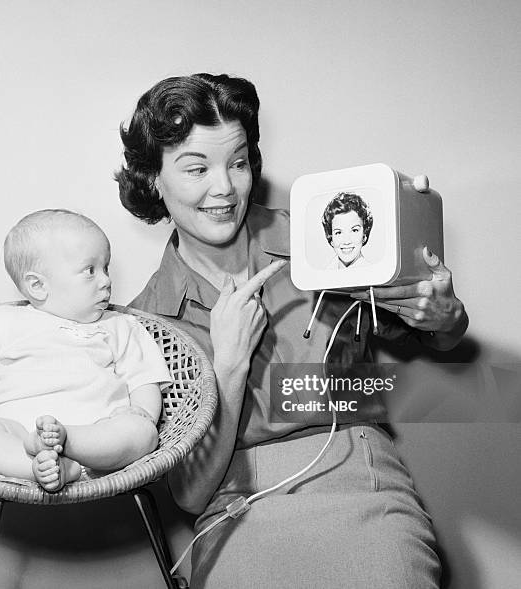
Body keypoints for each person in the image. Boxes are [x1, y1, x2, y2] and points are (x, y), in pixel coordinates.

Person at [117, 73, 469, 588]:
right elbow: (191, 494)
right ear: (153, 180)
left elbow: (435, 333)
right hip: (237, 508)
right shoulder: (144, 321)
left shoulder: (325, 235)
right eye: (197, 168)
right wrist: (229, 368)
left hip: (358, 479)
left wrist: (445, 316)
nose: (225, 188)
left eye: (238, 163)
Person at [0, 209, 171, 492]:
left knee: (143, 432)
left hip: (96, 440)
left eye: (106, 268)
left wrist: (142, 412)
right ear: (38, 286)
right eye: (90, 270)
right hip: (17, 437)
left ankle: (67, 444)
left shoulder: (120, 326)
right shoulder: (3, 322)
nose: (106, 280)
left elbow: (144, 379)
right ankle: (38, 468)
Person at [322, 192, 373, 269]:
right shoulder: (325, 272)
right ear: (331, 238)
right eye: (338, 232)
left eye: (354, 230)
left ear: (364, 235)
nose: (346, 241)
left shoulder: (373, 273)